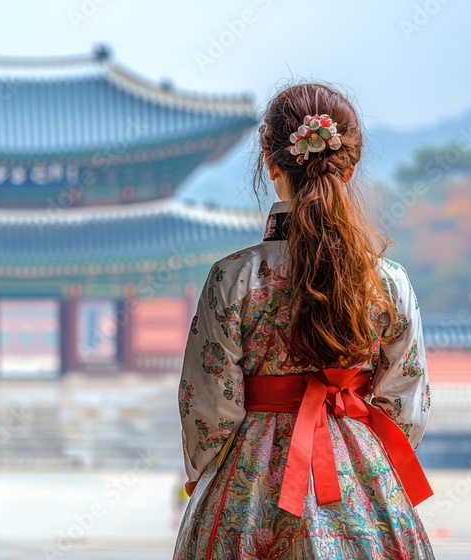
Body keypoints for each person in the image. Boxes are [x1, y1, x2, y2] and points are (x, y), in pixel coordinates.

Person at [172, 83, 435, 559]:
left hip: (249, 484)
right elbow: (405, 402)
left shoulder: (233, 278)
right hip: (361, 467)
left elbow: (210, 407)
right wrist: (372, 457)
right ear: (350, 169)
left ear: (273, 167)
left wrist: (204, 473)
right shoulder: (389, 282)